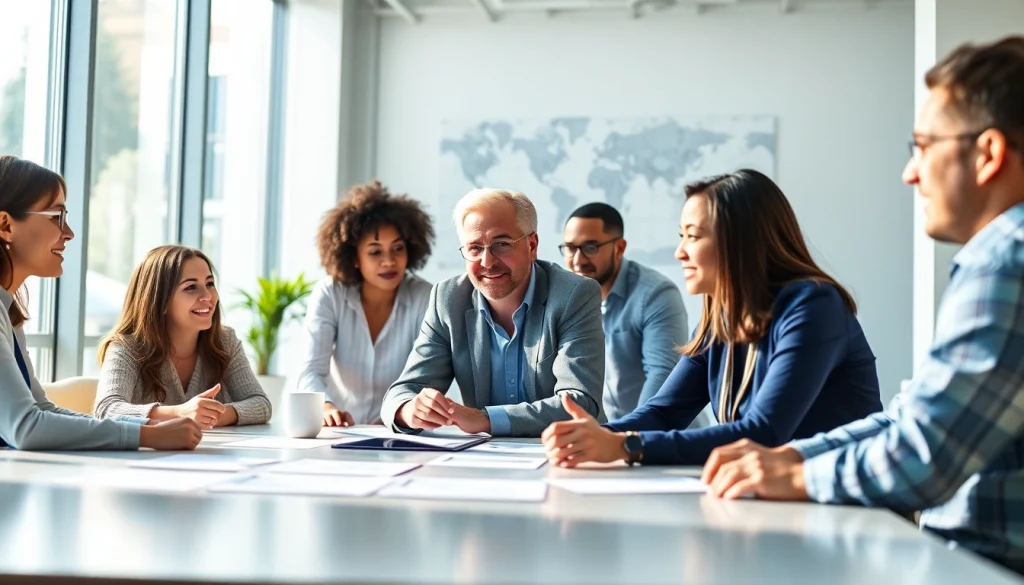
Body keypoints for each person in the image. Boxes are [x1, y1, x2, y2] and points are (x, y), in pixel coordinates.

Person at [701, 36, 1024, 575]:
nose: (910, 172)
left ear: (987, 153)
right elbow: (908, 418)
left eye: (922, 146)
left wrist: (795, 475)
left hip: (983, 564)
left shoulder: (1005, 260)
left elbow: (924, 457)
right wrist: (794, 457)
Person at [541, 169, 883, 466]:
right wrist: (595, 434)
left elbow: (764, 432)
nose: (680, 252)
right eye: (681, 236)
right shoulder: (721, 316)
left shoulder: (814, 306)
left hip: (843, 503)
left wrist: (626, 445)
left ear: (739, 243)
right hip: (771, 494)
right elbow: (665, 412)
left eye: (693, 236)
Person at [0, 155, 200, 450]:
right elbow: (26, 427)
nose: (68, 233)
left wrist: (145, 425)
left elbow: (43, 410)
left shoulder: (9, 313)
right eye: (57, 218)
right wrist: (147, 437)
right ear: (5, 225)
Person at [380, 188, 605, 437]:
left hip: (567, 453)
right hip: (485, 458)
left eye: (501, 244)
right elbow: (401, 393)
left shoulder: (574, 294)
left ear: (532, 246)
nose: (487, 262)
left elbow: (580, 403)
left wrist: (486, 419)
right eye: (475, 248)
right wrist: (409, 410)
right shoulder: (448, 299)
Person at [295, 180, 434, 426]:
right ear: (354, 257)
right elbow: (311, 369)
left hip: (399, 432)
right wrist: (325, 408)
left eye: (398, 249)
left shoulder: (425, 296)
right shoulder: (331, 293)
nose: (389, 261)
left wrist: (399, 416)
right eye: (375, 251)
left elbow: (428, 377)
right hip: (339, 431)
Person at [562, 202, 713, 426]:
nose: (577, 260)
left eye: (590, 247)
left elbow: (661, 375)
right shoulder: (569, 297)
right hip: (613, 436)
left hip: (666, 437)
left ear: (620, 248)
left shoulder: (656, 294)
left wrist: (618, 438)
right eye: (570, 248)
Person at [94, 245, 271, 428]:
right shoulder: (126, 347)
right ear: (159, 300)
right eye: (191, 287)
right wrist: (180, 413)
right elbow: (106, 410)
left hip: (209, 454)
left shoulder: (225, 341)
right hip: (149, 456)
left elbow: (261, 404)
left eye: (210, 284)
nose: (207, 296)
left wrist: (213, 415)